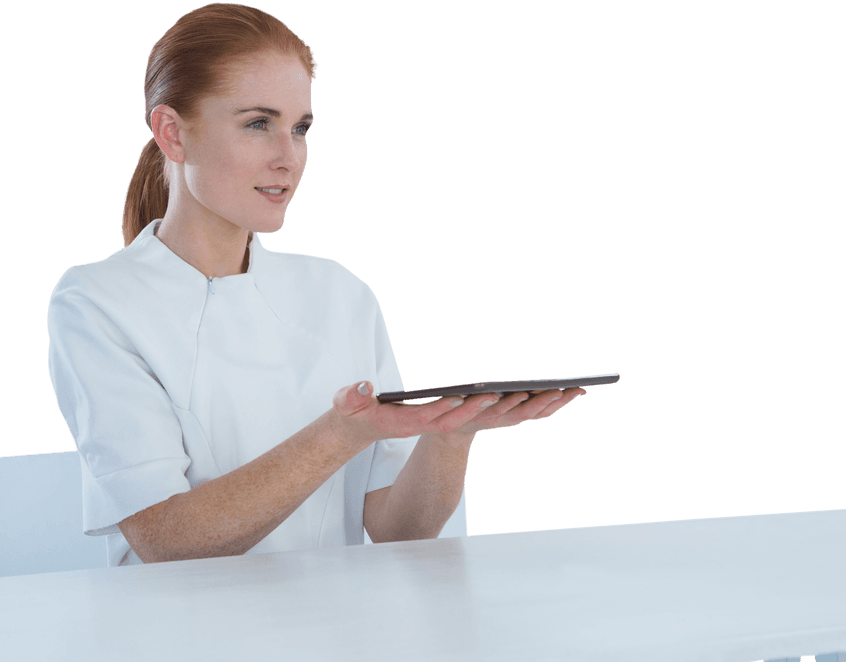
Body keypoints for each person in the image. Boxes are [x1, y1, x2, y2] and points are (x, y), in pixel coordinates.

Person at [47, 2, 586, 567]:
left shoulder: (336, 290)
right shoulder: (97, 302)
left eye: (299, 128)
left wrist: (450, 435)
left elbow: (399, 531)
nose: (289, 157)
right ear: (172, 134)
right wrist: (343, 434)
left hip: (336, 631)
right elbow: (166, 539)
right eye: (258, 124)